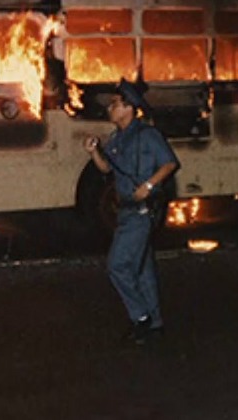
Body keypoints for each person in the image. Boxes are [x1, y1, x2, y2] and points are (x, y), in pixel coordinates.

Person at [83, 78, 180, 345]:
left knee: (117, 266)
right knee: (142, 268)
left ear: (130, 108)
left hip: (142, 212)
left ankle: (141, 318)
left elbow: (170, 163)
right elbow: (106, 169)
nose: (110, 108)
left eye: (115, 104)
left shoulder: (148, 135)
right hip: (126, 210)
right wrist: (94, 153)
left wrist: (149, 185)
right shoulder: (117, 139)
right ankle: (156, 325)